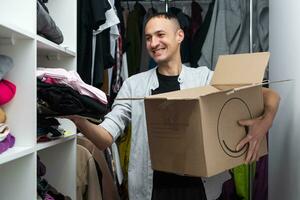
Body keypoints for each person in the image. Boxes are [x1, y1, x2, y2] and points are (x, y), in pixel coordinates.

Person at [69, 13, 280, 200]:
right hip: (153, 189)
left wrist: (263, 124)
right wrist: (78, 119)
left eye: (160, 35)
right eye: (148, 38)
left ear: (179, 36)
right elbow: (105, 138)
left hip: (198, 187)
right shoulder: (133, 85)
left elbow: (270, 95)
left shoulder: (206, 78)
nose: (153, 43)